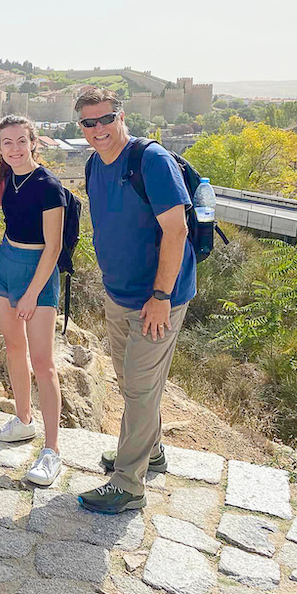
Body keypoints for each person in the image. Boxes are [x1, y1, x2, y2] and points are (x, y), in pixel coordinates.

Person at [73, 87, 196, 514]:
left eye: (106, 119)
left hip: (157, 298)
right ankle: (152, 451)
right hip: (119, 294)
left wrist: (161, 296)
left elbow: (176, 230)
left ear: (121, 116)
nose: (99, 129)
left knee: (141, 388)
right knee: (130, 384)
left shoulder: (151, 161)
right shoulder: (93, 164)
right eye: (89, 123)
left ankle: (128, 484)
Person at [0, 115, 66, 486]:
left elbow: (54, 247)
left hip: (37, 271)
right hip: (5, 263)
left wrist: (33, 292)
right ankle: (22, 420)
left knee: (44, 362)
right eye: (7, 143)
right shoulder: (6, 179)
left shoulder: (49, 186)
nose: (15, 149)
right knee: (13, 348)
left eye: (21, 141)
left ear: (34, 142)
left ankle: (52, 451)